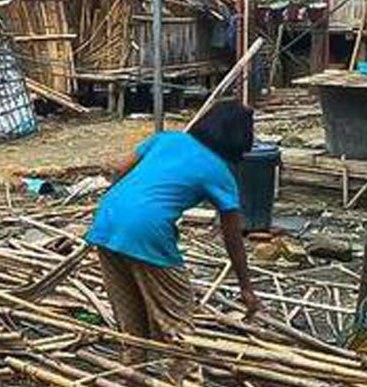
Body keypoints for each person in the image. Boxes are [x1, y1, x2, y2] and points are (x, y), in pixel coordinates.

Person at [86, 102, 256, 368]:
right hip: (146, 229)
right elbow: (232, 235)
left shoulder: (167, 139)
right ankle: (182, 380)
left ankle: (132, 371)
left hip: (106, 220)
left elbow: (120, 169)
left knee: (129, 314)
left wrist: (124, 207)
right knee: (177, 318)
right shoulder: (218, 171)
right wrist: (246, 287)